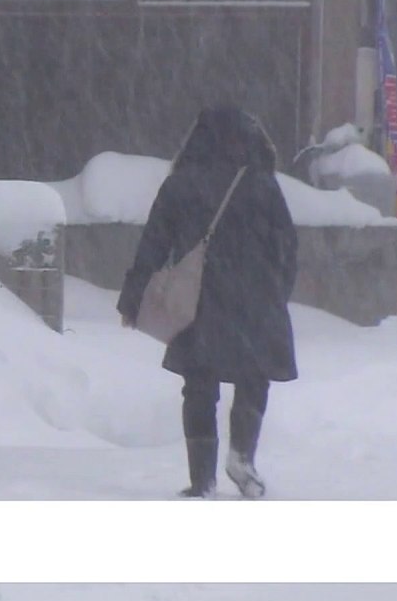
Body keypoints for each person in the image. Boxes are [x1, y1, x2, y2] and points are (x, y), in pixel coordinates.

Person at [117, 106, 299, 499]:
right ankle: (241, 456)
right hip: (257, 297)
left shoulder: (182, 183)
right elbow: (287, 245)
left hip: (198, 299)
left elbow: (153, 243)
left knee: (199, 384)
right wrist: (278, 292)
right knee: (254, 378)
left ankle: (202, 479)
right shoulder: (261, 183)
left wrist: (133, 297)